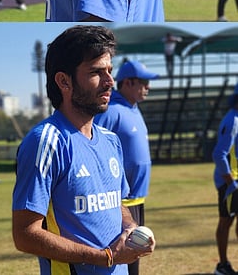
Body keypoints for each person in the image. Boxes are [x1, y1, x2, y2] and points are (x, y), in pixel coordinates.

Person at [12, 25, 154, 274]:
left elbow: (116, 203)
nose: (110, 81)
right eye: (96, 72)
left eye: (110, 71)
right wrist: (106, 257)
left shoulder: (111, 140)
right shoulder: (46, 142)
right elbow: (25, 234)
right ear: (64, 81)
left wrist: (131, 228)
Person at [94, 59, 159, 275]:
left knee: (134, 259)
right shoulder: (110, 110)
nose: (148, 87)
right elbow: (93, 146)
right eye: (144, 82)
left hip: (137, 200)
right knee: (119, 259)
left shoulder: (134, 109)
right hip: (120, 202)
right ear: (128, 82)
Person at [212, 84, 238, 275]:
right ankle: (222, 265)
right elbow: (219, 154)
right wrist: (231, 183)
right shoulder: (233, 120)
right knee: (225, 222)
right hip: (230, 183)